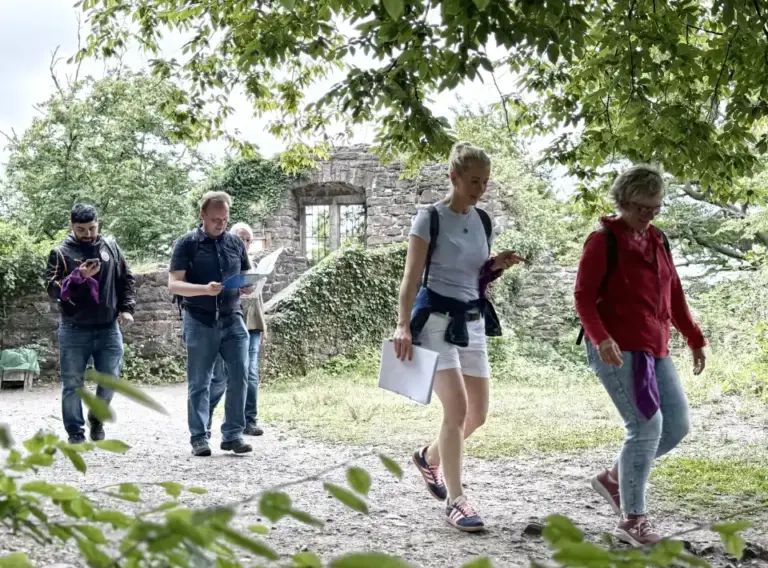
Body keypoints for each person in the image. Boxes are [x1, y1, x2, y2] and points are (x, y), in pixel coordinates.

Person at [393, 142, 526, 532]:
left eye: (485, 182)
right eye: (473, 181)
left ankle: (427, 457)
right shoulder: (429, 218)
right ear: (453, 177)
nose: (480, 188)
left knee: (478, 415)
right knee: (456, 410)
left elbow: (476, 277)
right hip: (434, 321)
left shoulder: (484, 221)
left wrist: (495, 266)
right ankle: (456, 500)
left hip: (472, 321)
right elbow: (411, 278)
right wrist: (402, 325)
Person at [574, 165, 707, 546]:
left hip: (655, 346)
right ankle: (633, 517)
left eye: (655, 208)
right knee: (645, 427)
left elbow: (674, 292)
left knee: (676, 425)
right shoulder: (603, 240)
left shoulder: (658, 240)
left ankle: (614, 478)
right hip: (616, 348)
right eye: (641, 208)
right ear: (623, 202)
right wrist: (601, 338)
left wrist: (694, 337)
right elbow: (583, 296)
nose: (648, 215)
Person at [169, 191, 254, 457]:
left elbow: (245, 273)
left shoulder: (235, 243)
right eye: (216, 218)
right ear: (202, 215)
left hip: (232, 317)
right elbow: (174, 284)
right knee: (200, 381)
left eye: (225, 218)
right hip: (199, 319)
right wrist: (204, 289)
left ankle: (232, 435)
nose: (221, 223)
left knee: (240, 376)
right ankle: (199, 436)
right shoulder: (186, 244)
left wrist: (247, 285)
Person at [45, 204, 136, 444]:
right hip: (74, 329)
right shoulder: (61, 252)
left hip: (108, 327)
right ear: (71, 226)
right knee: (73, 383)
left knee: (111, 378)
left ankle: (96, 418)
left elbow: (126, 279)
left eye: (92, 228)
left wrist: (127, 309)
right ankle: (75, 432)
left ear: (99, 223)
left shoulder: (111, 246)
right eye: (81, 229)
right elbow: (51, 288)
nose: (87, 234)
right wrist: (77, 278)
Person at [208, 222, 267, 438]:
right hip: (229, 322)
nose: (244, 243)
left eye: (248, 240)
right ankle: (205, 418)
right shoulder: (225, 262)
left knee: (249, 374)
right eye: (240, 238)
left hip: (251, 327)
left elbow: (259, 300)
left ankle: (248, 421)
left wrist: (263, 328)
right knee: (220, 377)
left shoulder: (253, 265)